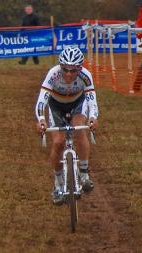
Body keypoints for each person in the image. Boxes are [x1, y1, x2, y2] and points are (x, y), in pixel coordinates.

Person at [35, 47, 99, 205]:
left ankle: (84, 173)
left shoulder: (86, 76)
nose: (69, 74)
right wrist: (41, 119)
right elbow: (42, 100)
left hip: (78, 104)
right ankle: (57, 183)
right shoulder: (53, 74)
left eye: (73, 70)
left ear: (80, 68)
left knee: (79, 129)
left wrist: (93, 118)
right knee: (58, 142)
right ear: (60, 66)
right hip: (56, 106)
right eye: (65, 69)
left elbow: (91, 100)